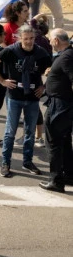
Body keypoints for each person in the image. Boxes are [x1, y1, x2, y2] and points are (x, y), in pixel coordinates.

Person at [0, 23, 52, 178]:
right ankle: (5, 162)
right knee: (10, 132)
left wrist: (43, 87)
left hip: (32, 98)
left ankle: (27, 161)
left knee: (30, 132)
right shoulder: (11, 51)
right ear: (19, 38)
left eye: (31, 38)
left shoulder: (41, 53)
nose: (29, 41)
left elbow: (53, 70)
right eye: (26, 39)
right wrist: (2, 81)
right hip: (14, 97)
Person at [43, 27, 73, 192]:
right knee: (65, 141)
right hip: (62, 105)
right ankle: (69, 174)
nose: (49, 42)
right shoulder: (66, 55)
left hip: (60, 106)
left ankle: (56, 180)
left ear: (56, 41)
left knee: (53, 143)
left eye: (50, 39)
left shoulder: (67, 57)